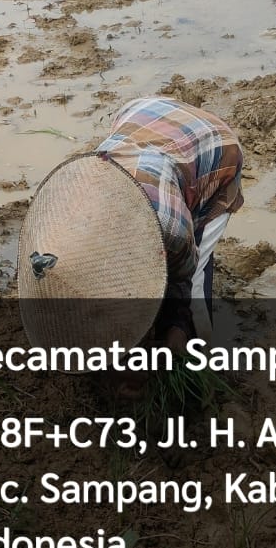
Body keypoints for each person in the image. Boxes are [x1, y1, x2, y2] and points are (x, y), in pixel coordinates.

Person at [17, 96, 245, 356]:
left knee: (194, 288)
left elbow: (182, 276)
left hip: (216, 147)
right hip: (140, 115)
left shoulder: (172, 230)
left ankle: (200, 359)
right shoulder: (64, 213)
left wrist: (178, 326)